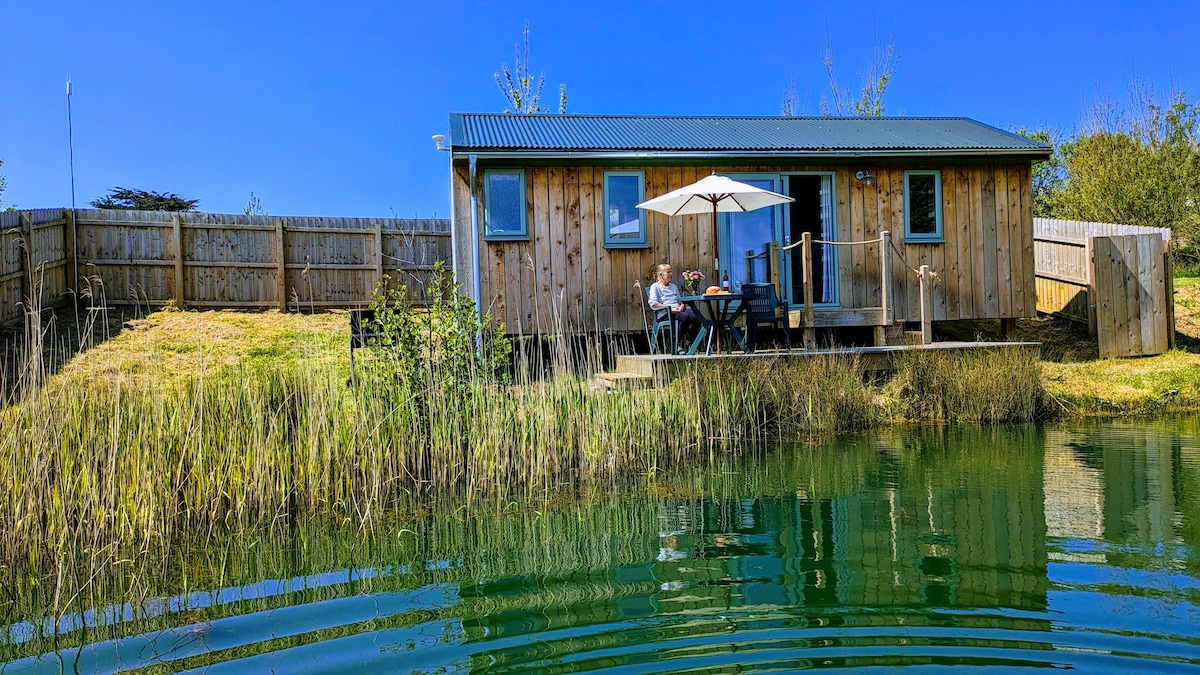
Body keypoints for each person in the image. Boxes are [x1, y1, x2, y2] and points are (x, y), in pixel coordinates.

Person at [647, 263, 699, 350]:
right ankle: (675, 343)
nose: (671, 274)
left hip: (678, 310)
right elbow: (653, 303)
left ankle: (690, 342)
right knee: (685, 317)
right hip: (665, 313)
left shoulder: (673, 286)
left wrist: (682, 305)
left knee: (696, 316)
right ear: (661, 275)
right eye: (668, 272)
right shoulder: (655, 287)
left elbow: (679, 299)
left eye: (671, 272)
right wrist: (670, 308)